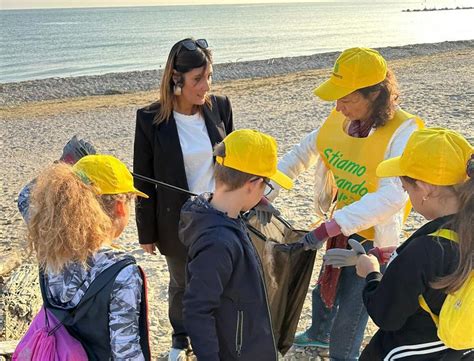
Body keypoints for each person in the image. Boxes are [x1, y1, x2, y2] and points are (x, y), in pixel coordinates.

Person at [266, 47, 424, 360]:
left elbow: (394, 195)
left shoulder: (403, 132)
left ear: (376, 95)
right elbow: (300, 155)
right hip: (339, 223)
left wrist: (332, 226)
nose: (338, 106)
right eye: (337, 98)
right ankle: (318, 334)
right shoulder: (340, 118)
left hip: (373, 236)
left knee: (353, 301)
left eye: (347, 99)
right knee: (325, 288)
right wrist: (266, 190)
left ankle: (342, 355)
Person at [133, 37, 233, 360]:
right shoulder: (150, 120)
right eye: (197, 80)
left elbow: (233, 165)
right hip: (176, 221)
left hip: (219, 216)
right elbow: (142, 180)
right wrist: (146, 232)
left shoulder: (221, 107)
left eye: (209, 77)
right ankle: (180, 337)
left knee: (219, 279)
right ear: (176, 79)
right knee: (181, 284)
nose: (206, 86)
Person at [356, 128, 473, 360]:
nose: (407, 194)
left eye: (406, 187)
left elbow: (386, 315)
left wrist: (371, 274)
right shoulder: (461, 231)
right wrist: (402, 259)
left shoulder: (425, 252)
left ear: (426, 189)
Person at [178, 129, 293, 361]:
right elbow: (197, 310)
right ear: (253, 183)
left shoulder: (223, 215)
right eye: (266, 186)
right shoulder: (217, 243)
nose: (265, 193)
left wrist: (255, 201)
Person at [27, 154, 151, 360]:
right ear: (121, 206)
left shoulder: (51, 251)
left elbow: (25, 197)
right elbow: (126, 352)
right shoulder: (122, 272)